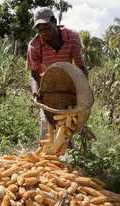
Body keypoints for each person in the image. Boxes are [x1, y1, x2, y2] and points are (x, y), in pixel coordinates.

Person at [26, 7, 88, 140]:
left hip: (68, 86)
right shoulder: (34, 45)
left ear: (54, 21)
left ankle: (66, 157)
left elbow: (80, 66)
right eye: (40, 29)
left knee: (67, 125)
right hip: (48, 88)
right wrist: (36, 92)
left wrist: (83, 89)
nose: (44, 33)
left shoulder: (72, 37)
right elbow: (34, 74)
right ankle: (46, 156)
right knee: (47, 126)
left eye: (47, 27)